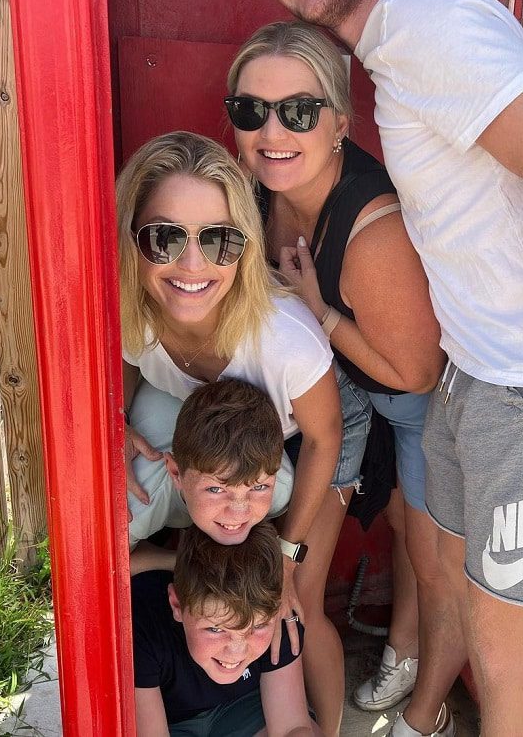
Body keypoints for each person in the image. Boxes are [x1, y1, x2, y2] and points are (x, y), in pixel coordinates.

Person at [221, 0, 523, 737]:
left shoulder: (423, 20)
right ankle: (424, 712)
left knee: (508, 650)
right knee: (442, 573)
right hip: (470, 374)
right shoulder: (393, 41)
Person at [226, 21, 452, 731]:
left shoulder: (372, 229)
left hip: (412, 402)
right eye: (250, 110)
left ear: (338, 125)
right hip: (345, 391)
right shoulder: (253, 193)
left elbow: (415, 375)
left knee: (425, 545)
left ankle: (420, 688)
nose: (271, 130)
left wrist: (319, 309)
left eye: (297, 111)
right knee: (389, 516)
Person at [116, 131, 349, 734]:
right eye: (165, 238)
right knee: (120, 505)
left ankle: (321, 719)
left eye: (218, 240)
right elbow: (122, 359)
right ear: (132, 241)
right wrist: (110, 427)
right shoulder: (128, 309)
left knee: (302, 604)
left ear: (243, 248)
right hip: (204, 423)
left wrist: (290, 557)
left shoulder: (285, 340)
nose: (193, 266)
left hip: (311, 437)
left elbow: (326, 439)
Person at [132, 521, 321, 736]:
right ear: (177, 605)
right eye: (215, 629)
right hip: (169, 721)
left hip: (245, 707)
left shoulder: (275, 615)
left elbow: (292, 726)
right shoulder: (145, 625)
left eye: (257, 627)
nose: (236, 651)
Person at [128, 377, 293, 572]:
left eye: (258, 487)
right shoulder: (138, 505)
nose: (238, 512)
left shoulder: (280, 485)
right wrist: (184, 562)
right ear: (175, 472)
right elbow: (108, 567)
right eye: (216, 489)